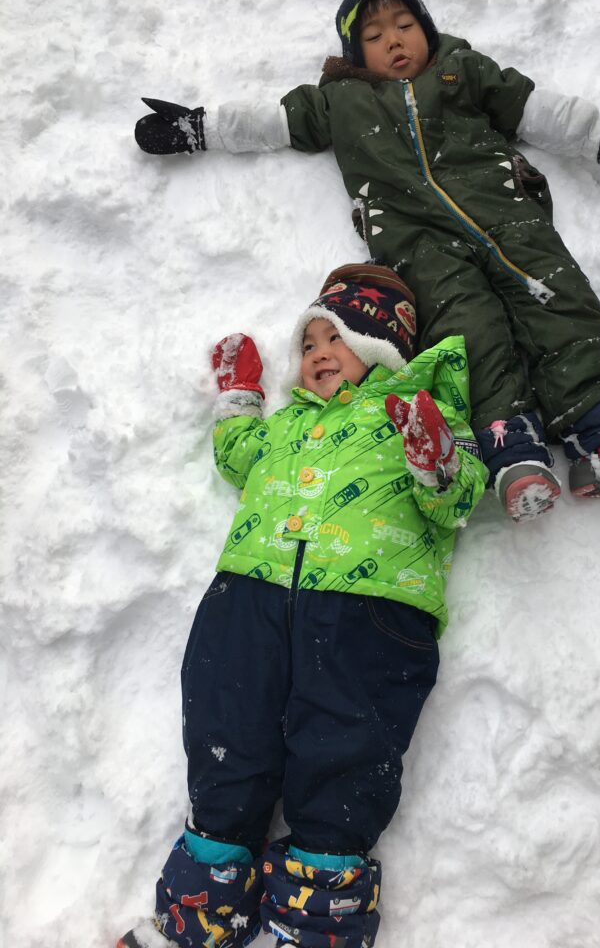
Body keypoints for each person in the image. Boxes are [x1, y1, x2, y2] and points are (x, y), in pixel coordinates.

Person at [134, 0, 600, 524]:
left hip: (508, 216)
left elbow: (539, 110)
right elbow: (269, 121)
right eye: (374, 36)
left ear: (426, 29)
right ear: (355, 54)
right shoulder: (340, 100)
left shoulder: (462, 70)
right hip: (416, 242)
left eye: (404, 25)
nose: (394, 40)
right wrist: (197, 128)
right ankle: (512, 451)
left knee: (561, 303)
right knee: (467, 330)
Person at [117, 263, 486, 948]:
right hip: (247, 599)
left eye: (335, 338)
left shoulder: (425, 412)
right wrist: (238, 396)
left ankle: (312, 929)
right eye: (309, 341)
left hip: (369, 610)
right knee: (226, 734)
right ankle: (198, 918)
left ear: (379, 349)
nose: (317, 352)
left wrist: (430, 451)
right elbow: (237, 457)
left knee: (344, 751)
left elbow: (458, 494)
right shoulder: (286, 425)